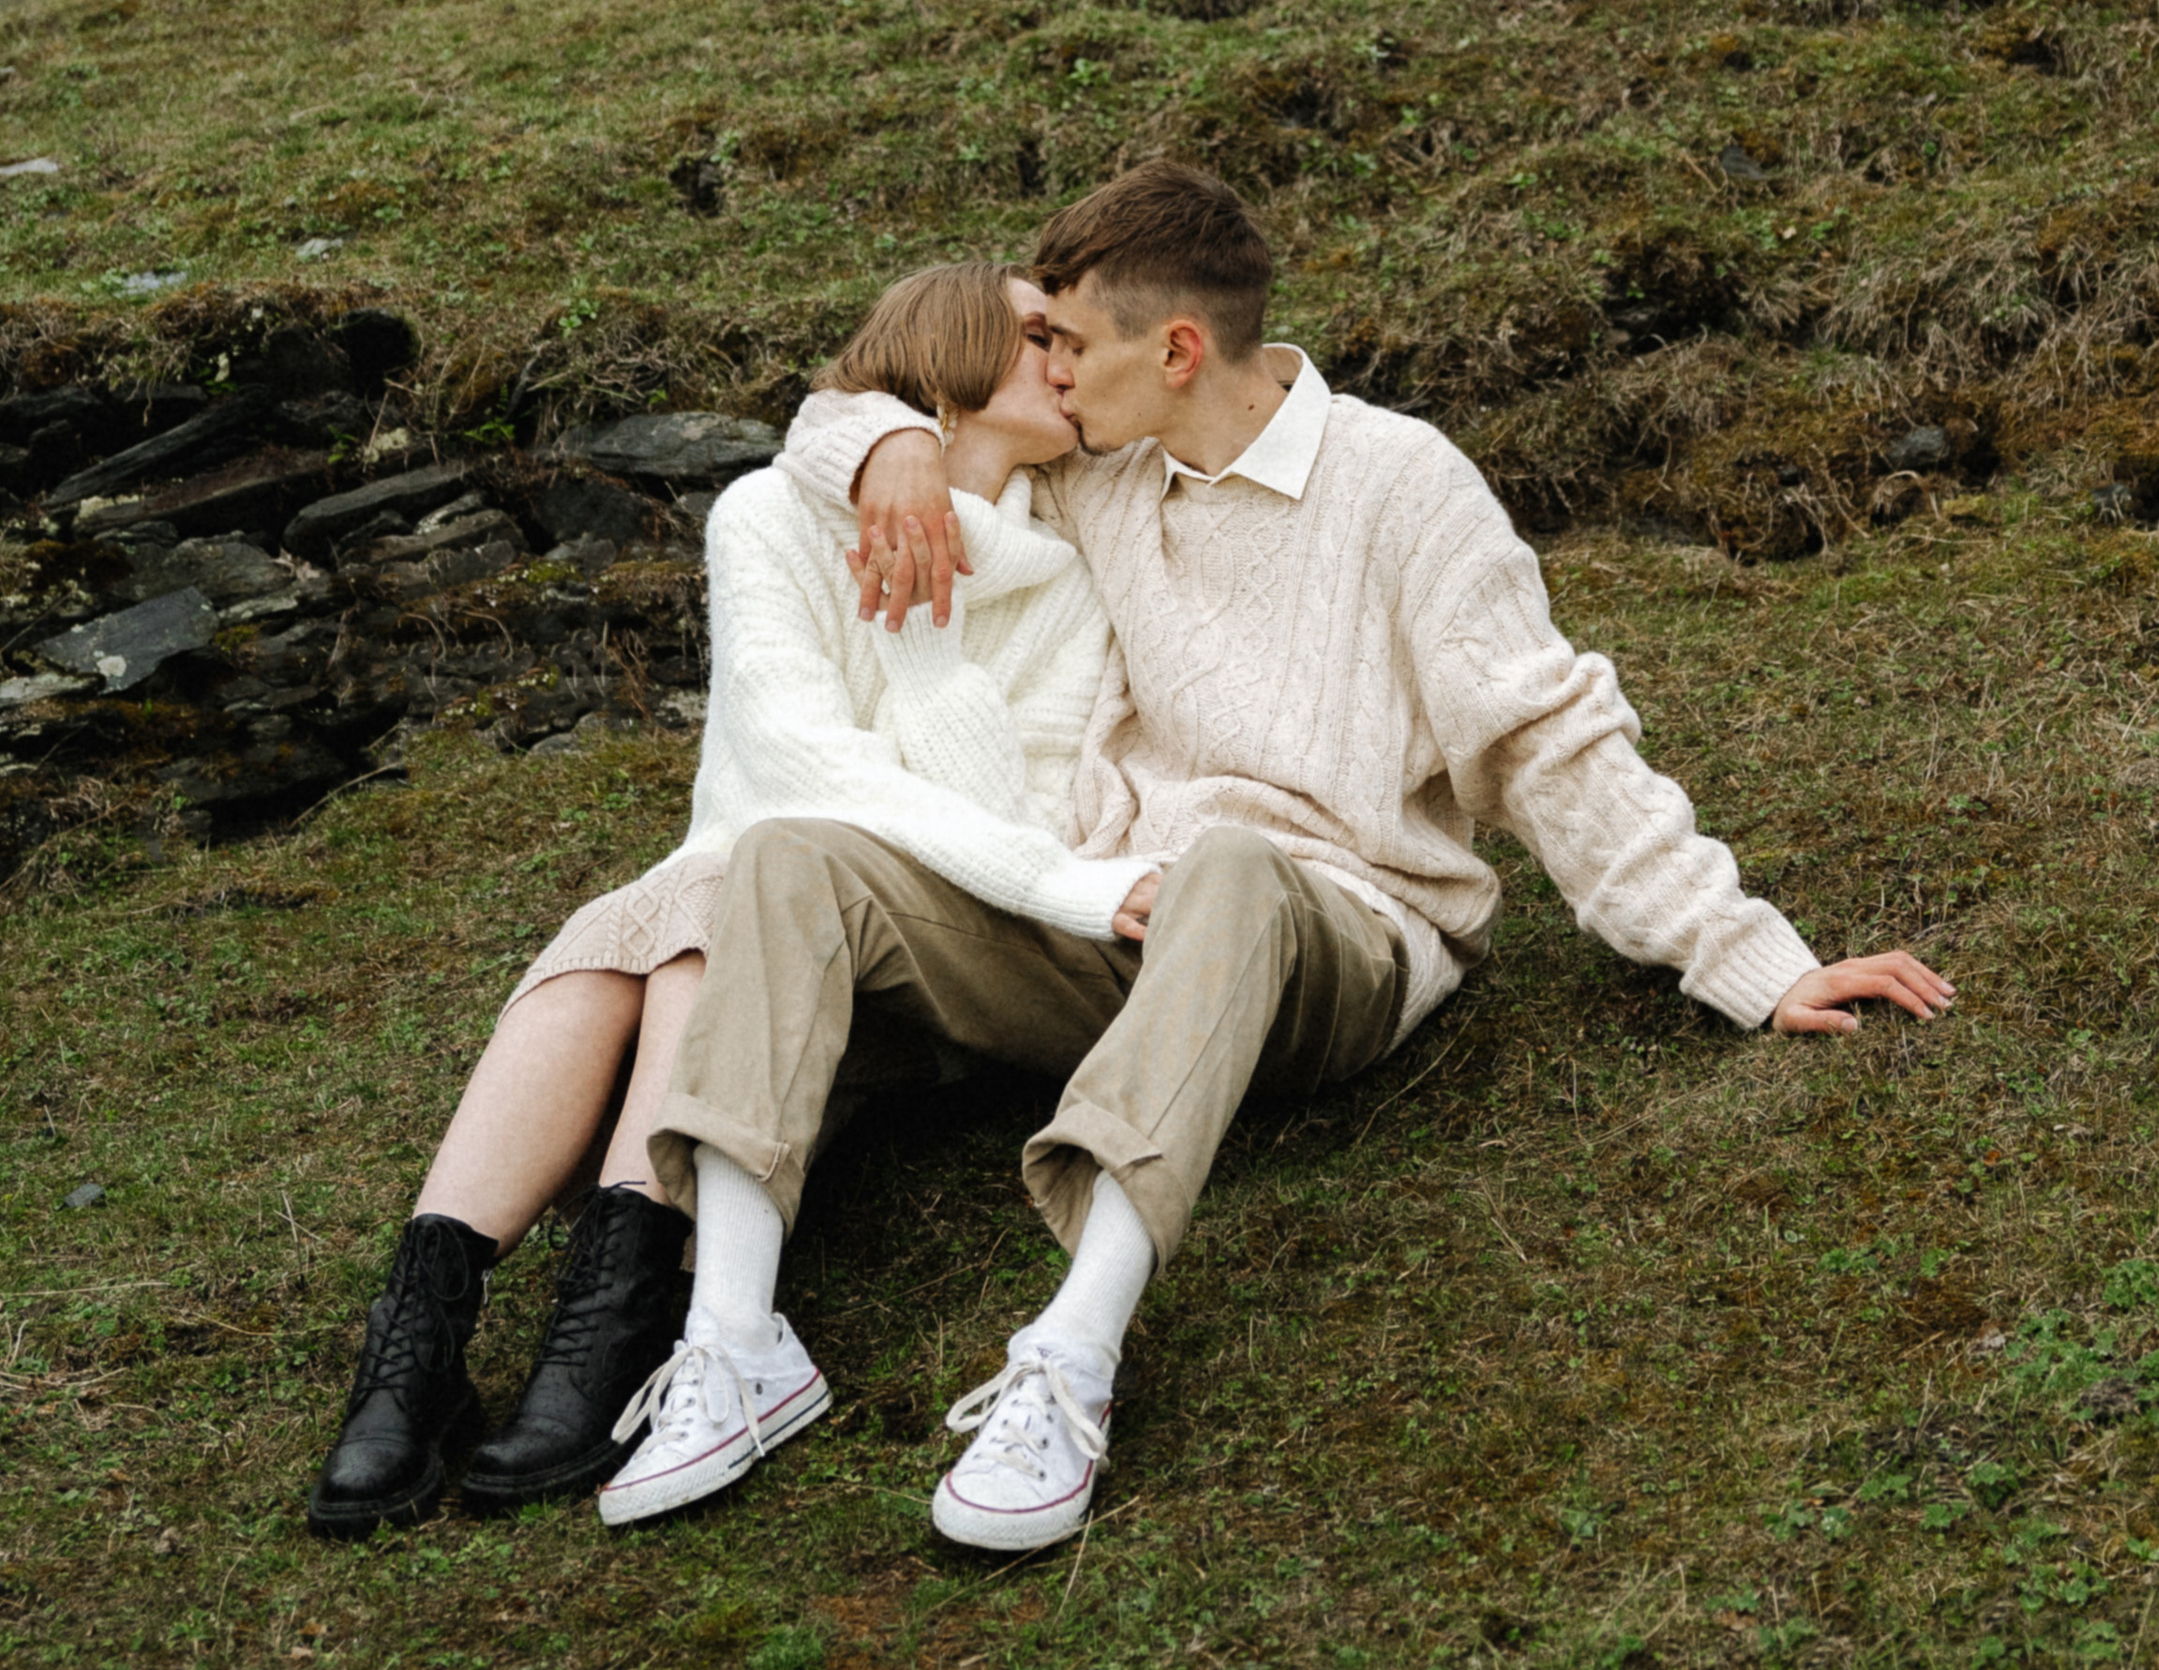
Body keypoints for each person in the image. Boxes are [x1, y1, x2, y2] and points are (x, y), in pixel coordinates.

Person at [639, 163, 1953, 1557]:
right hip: (1123, 930)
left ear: (1179, 351)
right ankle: (736, 1339)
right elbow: (847, 402)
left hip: (1339, 931)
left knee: (1235, 862)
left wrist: (1750, 958)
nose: (1052, 376)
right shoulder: (1105, 473)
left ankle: (1074, 1355)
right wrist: (885, 447)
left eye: (1071, 345)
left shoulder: (1402, 486)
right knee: (793, 854)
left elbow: (1549, 740)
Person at [305, 262, 1131, 1538]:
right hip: (740, 869)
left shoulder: (1066, 579)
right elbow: (790, 755)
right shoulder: (761, 513)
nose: (1069, 359)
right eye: (1036, 337)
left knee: (710, 916)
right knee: (618, 949)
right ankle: (418, 1345)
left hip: (905, 928)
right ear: (942, 372)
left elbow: (1014, 818)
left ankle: (615, 1317)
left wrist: (921, 641)